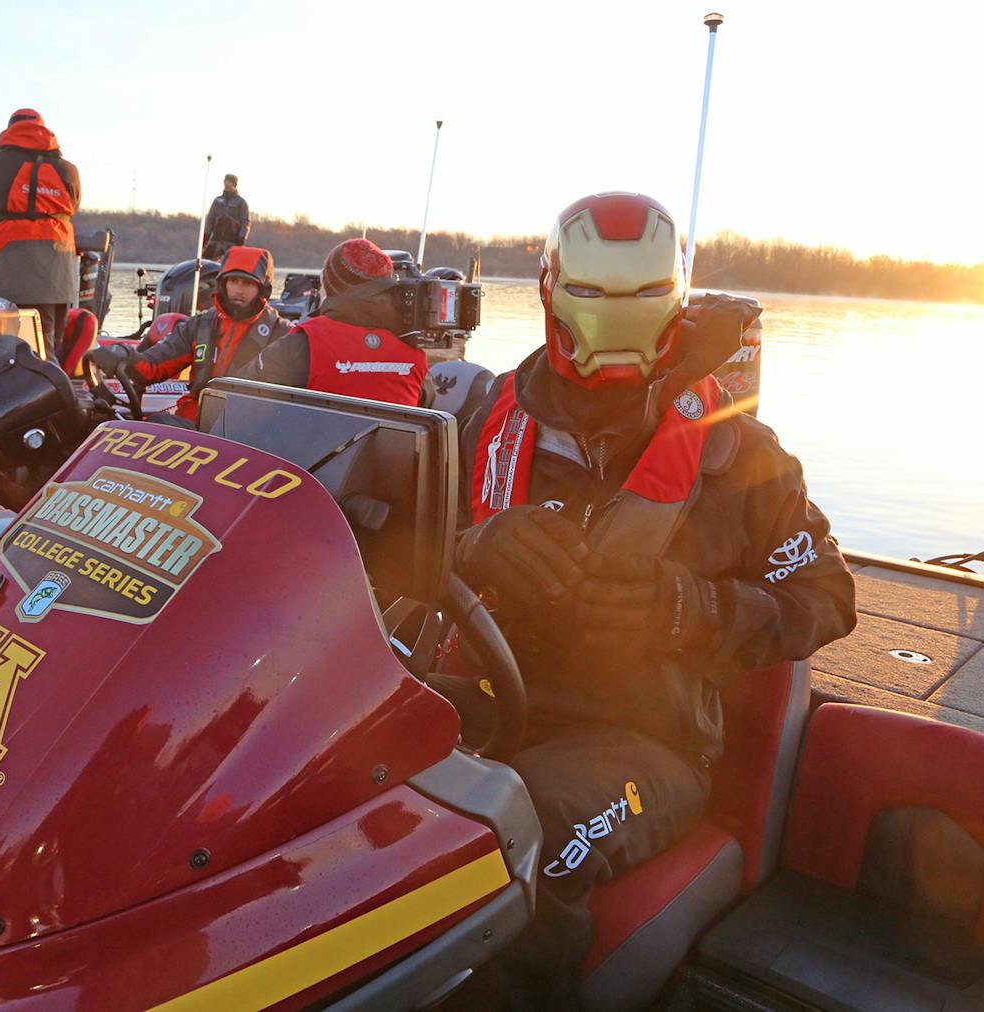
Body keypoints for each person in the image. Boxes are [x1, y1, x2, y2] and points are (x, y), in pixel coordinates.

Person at [449, 192, 856, 1006]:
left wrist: (691, 611)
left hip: (651, 743)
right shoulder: (486, 420)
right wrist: (472, 548)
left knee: (526, 843)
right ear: (551, 290)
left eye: (638, 297)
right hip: (499, 698)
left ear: (673, 296)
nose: (614, 321)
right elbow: (394, 556)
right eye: (595, 294)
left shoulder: (738, 450)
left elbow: (826, 596)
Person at [86, 245, 289, 424]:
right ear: (223, 283)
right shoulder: (201, 326)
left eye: (248, 283)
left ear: (263, 289)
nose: (239, 289)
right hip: (194, 421)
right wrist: (123, 355)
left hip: (246, 430)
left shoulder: (283, 335)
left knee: (160, 425)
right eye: (234, 281)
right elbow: (152, 366)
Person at [237, 237, 434, 407]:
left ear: (332, 287)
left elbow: (238, 396)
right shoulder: (413, 349)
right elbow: (426, 403)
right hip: (395, 452)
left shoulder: (304, 343)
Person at [0, 109, 81, 359]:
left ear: (9, 129)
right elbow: (73, 207)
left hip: (8, 268)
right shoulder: (68, 170)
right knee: (46, 345)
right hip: (57, 273)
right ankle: (53, 390)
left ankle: (11, 395)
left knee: (2, 347)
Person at [201, 173, 250, 260]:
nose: (226, 184)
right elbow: (210, 220)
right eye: (225, 181)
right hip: (215, 241)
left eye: (229, 182)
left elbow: (245, 222)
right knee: (206, 263)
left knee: (231, 265)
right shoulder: (217, 201)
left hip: (232, 242)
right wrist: (206, 236)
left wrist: (241, 238)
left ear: (234, 184)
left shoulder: (241, 203)